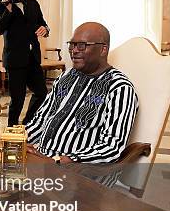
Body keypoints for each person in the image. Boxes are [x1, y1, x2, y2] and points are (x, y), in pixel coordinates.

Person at [25, 22, 138, 164]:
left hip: (81, 173)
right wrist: (14, 138)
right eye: (72, 45)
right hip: (42, 159)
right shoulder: (65, 77)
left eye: (82, 45)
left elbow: (112, 147)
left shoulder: (119, 88)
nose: (74, 51)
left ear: (103, 49)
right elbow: (40, 121)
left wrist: (61, 161)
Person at [0, 0, 49, 127]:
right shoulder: (3, 4)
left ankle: (27, 124)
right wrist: (8, 9)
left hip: (33, 58)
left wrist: (45, 29)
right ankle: (12, 131)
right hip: (15, 59)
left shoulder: (34, 4)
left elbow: (43, 24)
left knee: (41, 93)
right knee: (17, 100)